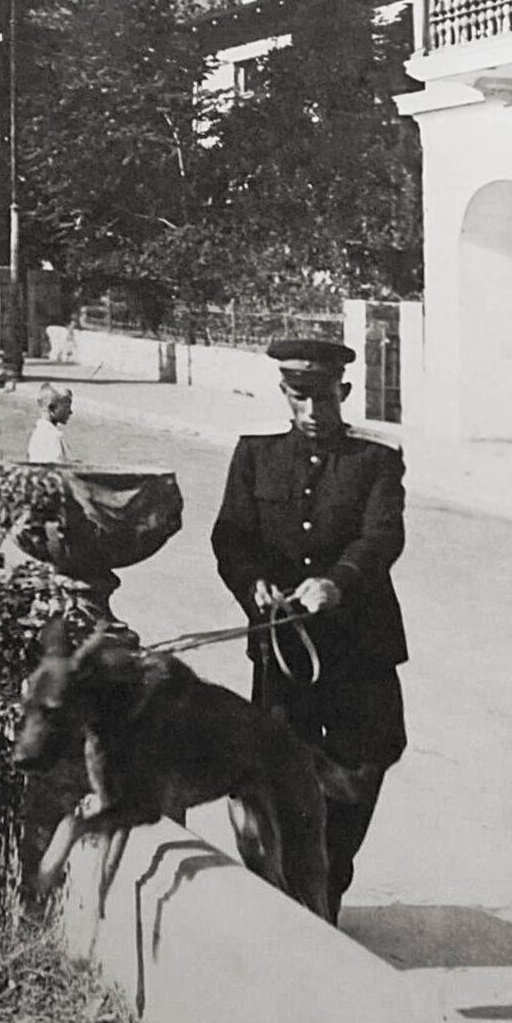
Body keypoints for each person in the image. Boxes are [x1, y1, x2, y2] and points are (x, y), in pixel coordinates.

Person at [211, 338, 409, 924]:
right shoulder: (255, 455)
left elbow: (382, 536)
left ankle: (329, 880)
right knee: (278, 773)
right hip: (283, 652)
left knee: (360, 768)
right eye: (301, 398)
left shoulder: (375, 461)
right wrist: (253, 585)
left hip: (359, 649)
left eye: (324, 398)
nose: (314, 411)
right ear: (284, 394)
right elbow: (231, 539)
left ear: (343, 392)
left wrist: (338, 582)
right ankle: (292, 897)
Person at [27, 383, 74, 463]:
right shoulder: (52, 436)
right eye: (67, 407)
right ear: (52, 408)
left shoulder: (38, 432)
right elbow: (55, 467)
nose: (70, 412)